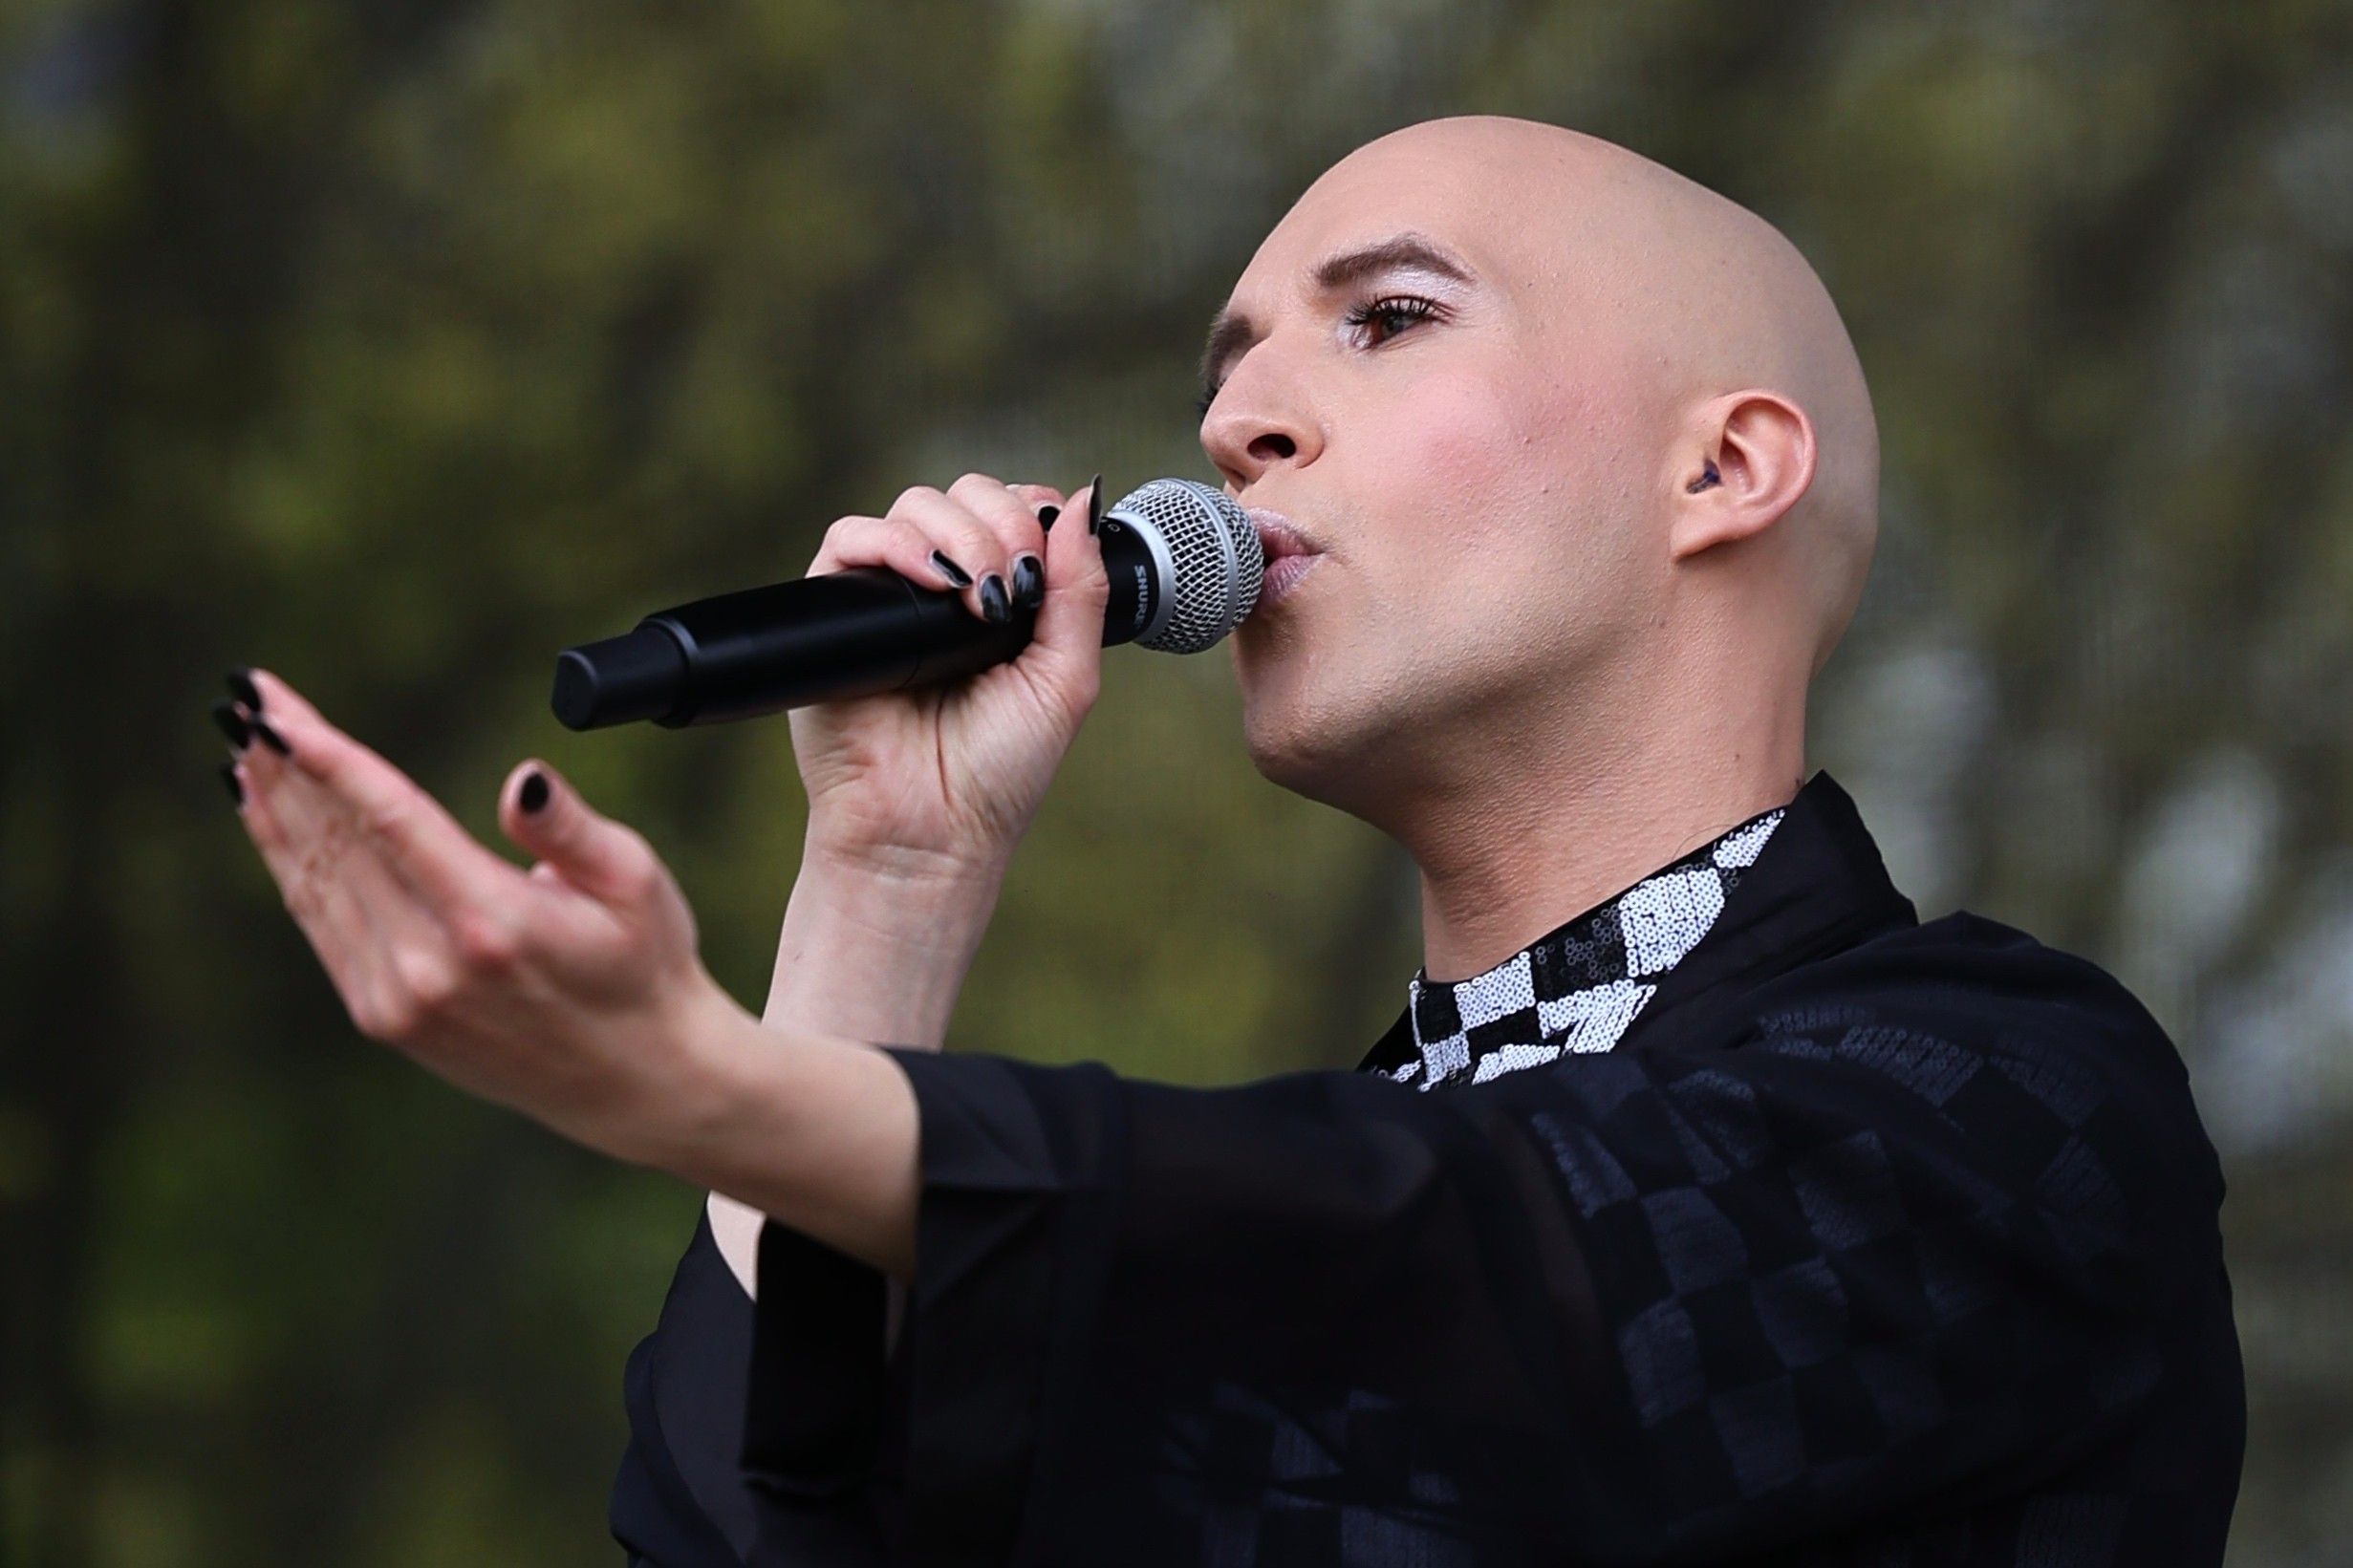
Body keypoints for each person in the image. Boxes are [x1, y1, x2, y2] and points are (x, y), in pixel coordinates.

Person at [216, 117, 2244, 1565]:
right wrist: (883, 895)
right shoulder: (1290, 1183)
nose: (1237, 421)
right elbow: (757, 1528)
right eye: (1230, 365)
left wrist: (718, 1091)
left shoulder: (2010, 1102)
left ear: (1722, 467)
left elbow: (1491, 1277)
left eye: (1386, 319)